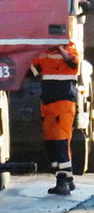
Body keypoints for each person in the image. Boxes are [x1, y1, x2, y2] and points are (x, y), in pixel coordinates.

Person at [31, 41, 81, 195]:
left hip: (63, 104)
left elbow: (73, 63)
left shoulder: (70, 50)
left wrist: (60, 49)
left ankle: (63, 182)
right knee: (51, 143)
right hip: (48, 103)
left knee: (60, 142)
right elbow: (32, 70)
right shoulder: (44, 53)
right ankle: (66, 178)